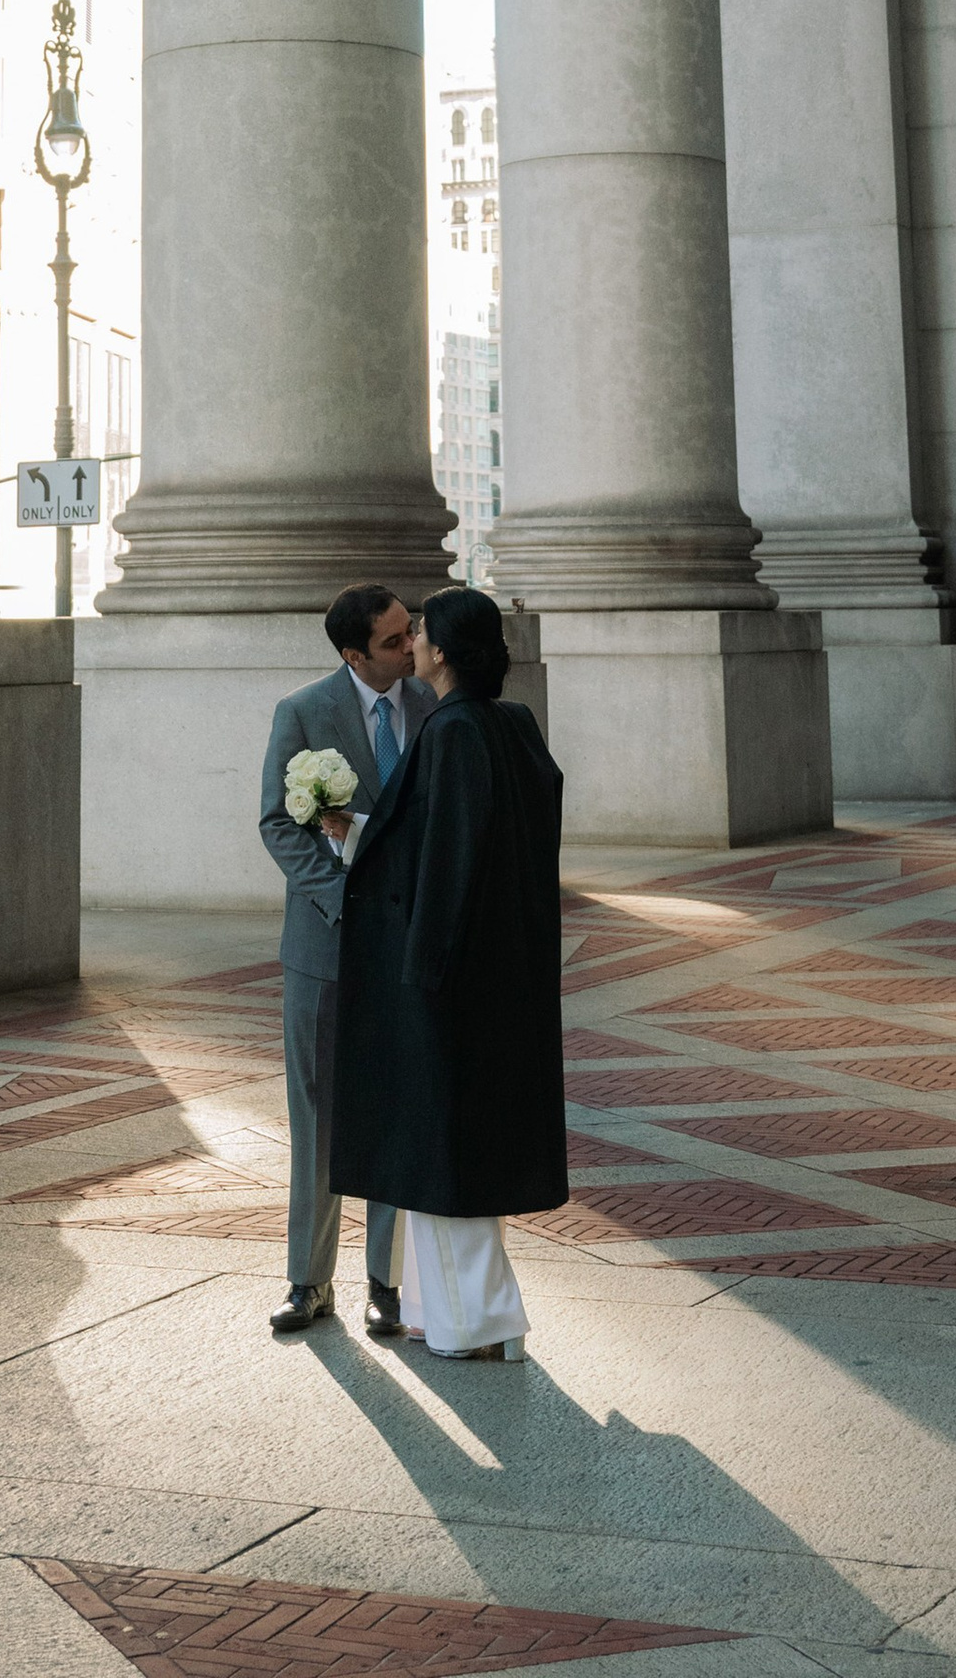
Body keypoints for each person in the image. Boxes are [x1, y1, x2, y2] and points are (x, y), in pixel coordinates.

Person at [329, 585, 565, 1362]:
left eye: (421, 633)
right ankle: (446, 1315)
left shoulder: (455, 730)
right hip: (497, 972)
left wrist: (424, 972)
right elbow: (460, 843)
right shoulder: (511, 724)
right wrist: (362, 832)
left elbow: (450, 861)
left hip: (448, 981)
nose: (414, 644)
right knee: (445, 1157)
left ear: (445, 651)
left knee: (446, 1157)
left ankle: (484, 1325)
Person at [257, 581, 436, 1340]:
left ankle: (386, 1285)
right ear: (353, 654)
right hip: (325, 944)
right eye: (394, 641)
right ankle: (308, 1281)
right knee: (317, 1115)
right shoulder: (302, 712)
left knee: (395, 1109)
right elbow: (279, 822)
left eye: (410, 631)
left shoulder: (432, 706)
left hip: (409, 945)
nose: (411, 646)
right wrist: (343, 897)